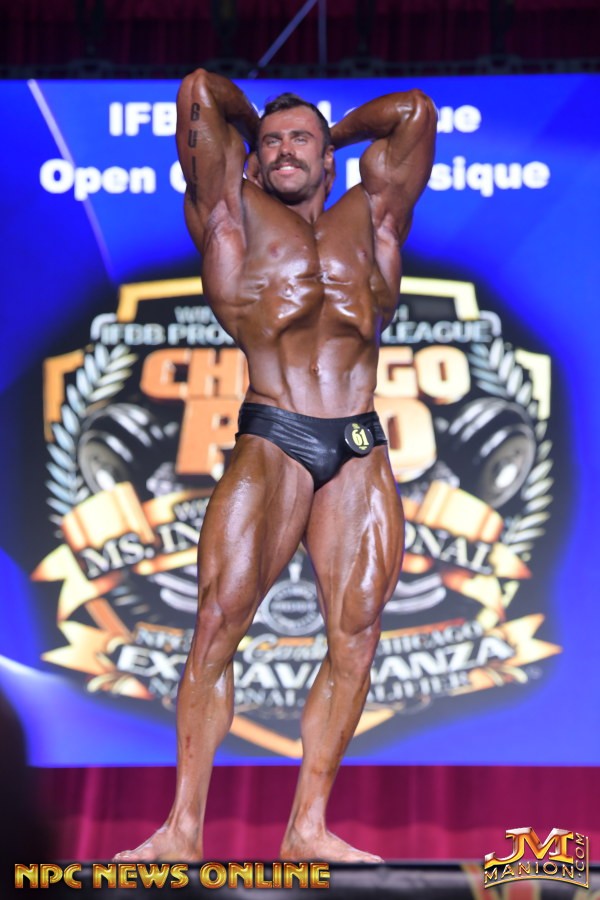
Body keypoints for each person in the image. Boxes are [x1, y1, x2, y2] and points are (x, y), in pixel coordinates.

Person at [116, 70, 436, 863]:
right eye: (271, 143)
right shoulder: (232, 214)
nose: (286, 150)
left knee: (356, 638)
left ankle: (308, 829)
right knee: (217, 624)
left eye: (303, 142)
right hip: (274, 435)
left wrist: (327, 130)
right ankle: (182, 829)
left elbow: (414, 113)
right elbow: (199, 90)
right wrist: (259, 124)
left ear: (330, 158)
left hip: (358, 443)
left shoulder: (374, 215)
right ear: (251, 158)